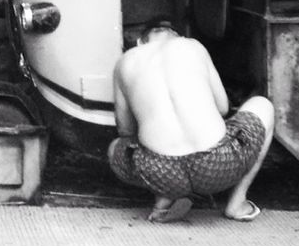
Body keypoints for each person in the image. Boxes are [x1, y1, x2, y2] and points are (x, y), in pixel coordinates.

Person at [107, 17, 274, 224]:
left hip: (160, 172)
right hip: (219, 165)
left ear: (140, 42)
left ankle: (165, 196)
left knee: (115, 148)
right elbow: (223, 107)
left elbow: (125, 130)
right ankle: (237, 204)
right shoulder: (192, 46)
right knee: (263, 105)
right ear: (180, 37)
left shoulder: (125, 61)